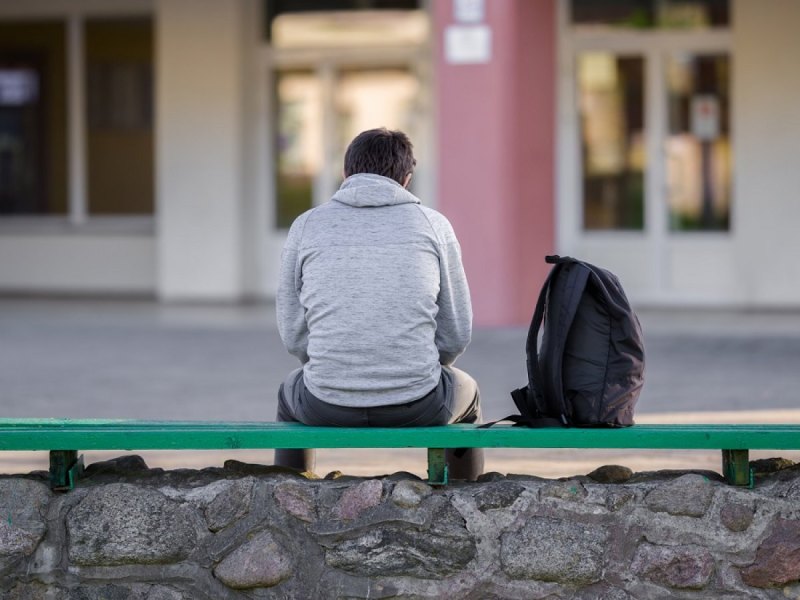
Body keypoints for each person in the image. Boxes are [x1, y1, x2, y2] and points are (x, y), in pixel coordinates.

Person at [275, 127, 483, 480]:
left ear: (346, 173)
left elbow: (294, 334)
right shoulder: (433, 226)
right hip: (420, 402)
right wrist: (420, 368)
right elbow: (457, 333)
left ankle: (293, 497)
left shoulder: (307, 225)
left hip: (324, 403)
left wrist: (336, 368)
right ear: (406, 178)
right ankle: (464, 499)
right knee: (470, 393)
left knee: (288, 392)